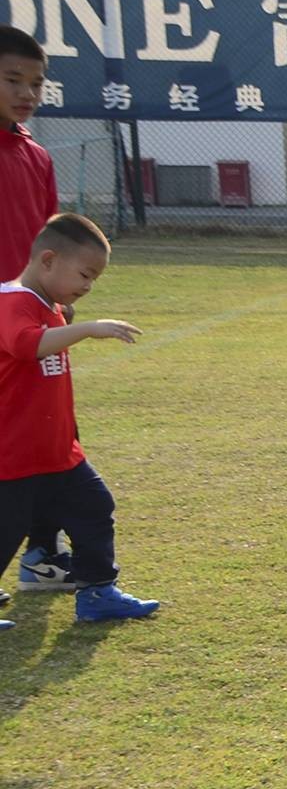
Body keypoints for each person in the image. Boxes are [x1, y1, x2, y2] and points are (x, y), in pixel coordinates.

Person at [1, 214, 160, 628]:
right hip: (13, 456)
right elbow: (24, 345)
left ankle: (97, 592)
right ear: (48, 260)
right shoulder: (13, 301)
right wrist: (88, 328)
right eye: (85, 275)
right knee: (5, 531)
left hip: (57, 453)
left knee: (95, 506)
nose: (89, 287)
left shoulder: (47, 305)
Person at [0, 27, 74, 605]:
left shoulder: (36, 155)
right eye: (12, 80)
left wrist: (61, 299)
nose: (27, 92)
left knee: (52, 434)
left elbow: (51, 238)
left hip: (37, 321)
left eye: (36, 82)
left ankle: (43, 555)